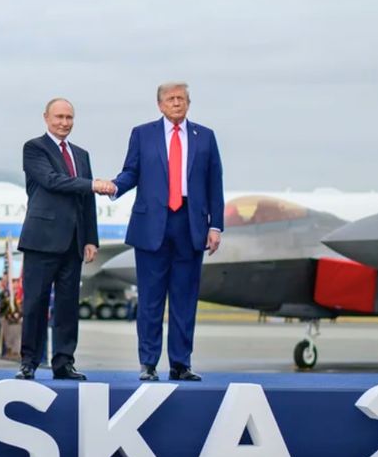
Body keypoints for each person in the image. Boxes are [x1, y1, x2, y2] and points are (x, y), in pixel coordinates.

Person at [102, 82, 224, 381]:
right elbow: (132, 171)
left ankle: (181, 364)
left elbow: (214, 184)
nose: (176, 103)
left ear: (189, 103)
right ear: (159, 105)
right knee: (150, 299)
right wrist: (116, 186)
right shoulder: (142, 134)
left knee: (184, 299)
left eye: (181, 98)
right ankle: (148, 363)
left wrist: (215, 225)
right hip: (152, 225)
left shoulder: (205, 137)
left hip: (190, 224)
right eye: (170, 99)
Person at [13, 97, 100, 381]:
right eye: (59, 117)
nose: (64, 123)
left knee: (67, 305)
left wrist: (90, 238)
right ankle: (29, 362)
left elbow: (86, 201)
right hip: (42, 240)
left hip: (73, 242)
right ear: (46, 118)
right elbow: (52, 180)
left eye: (69, 118)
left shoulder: (82, 155)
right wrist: (93, 184)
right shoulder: (34, 148)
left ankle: (64, 363)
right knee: (35, 303)